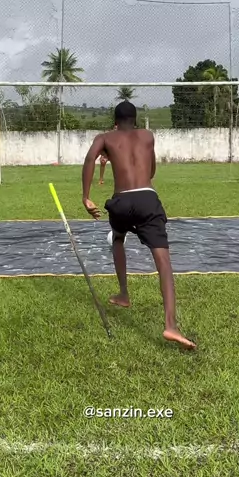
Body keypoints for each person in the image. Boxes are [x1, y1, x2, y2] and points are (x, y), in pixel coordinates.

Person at [81, 100, 196, 350]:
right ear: (135, 120)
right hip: (147, 199)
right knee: (163, 261)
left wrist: (86, 197)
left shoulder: (105, 137)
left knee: (117, 238)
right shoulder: (147, 136)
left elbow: (90, 159)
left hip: (121, 201)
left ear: (115, 121)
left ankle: (123, 293)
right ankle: (170, 325)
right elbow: (151, 171)